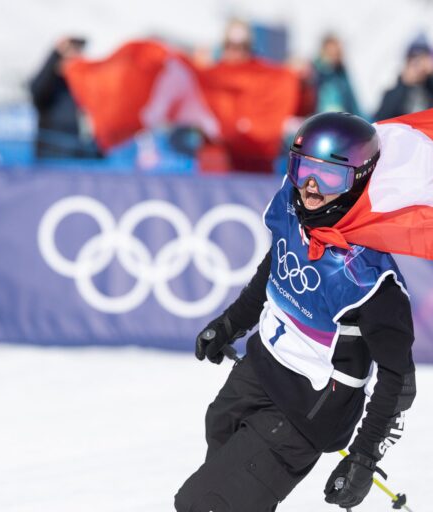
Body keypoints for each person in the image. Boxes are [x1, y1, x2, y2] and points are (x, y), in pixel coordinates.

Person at [175, 112, 416, 511]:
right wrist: (230, 324)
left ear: (360, 180)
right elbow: (275, 271)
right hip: (257, 370)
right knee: (218, 442)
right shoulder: (291, 210)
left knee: (204, 504)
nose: (311, 188)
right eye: (304, 170)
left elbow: (398, 381)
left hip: (306, 409)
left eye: (330, 177)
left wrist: (363, 458)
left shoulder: (370, 280)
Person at [29, 37, 102, 159]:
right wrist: (55, 55)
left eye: (79, 50)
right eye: (71, 50)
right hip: (52, 155)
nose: (75, 55)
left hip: (78, 154)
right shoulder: (51, 85)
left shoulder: (83, 84)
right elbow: (37, 90)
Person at [374, 36, 433, 121]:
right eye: (413, 60)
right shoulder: (394, 91)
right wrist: (403, 83)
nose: (418, 66)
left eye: (422, 59)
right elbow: (382, 118)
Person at [312, 34, 362, 116]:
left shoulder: (342, 74)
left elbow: (352, 101)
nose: (333, 57)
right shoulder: (315, 71)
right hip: (319, 117)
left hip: (341, 117)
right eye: (330, 53)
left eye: (336, 53)